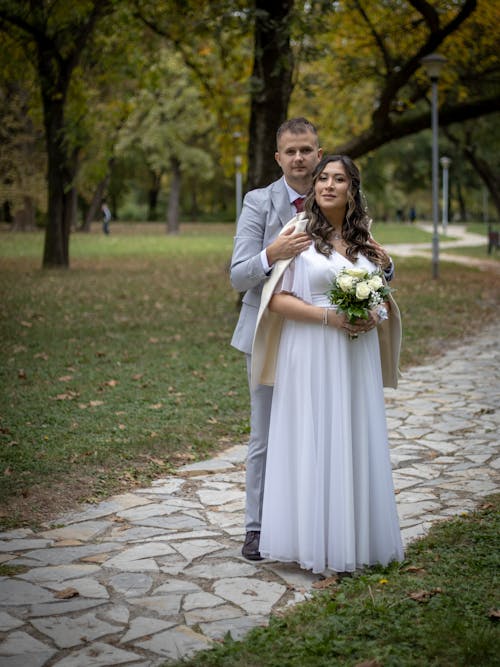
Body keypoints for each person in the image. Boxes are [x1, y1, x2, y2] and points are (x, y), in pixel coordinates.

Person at [230, 118, 395, 561]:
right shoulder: (259, 202)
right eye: (291, 151)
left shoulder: (338, 195)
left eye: (307, 150)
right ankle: (258, 527)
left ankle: (323, 522)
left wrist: (384, 277)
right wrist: (273, 254)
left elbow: (366, 257)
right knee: (267, 435)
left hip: (331, 343)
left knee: (325, 430)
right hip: (272, 332)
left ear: (318, 154)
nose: (300, 158)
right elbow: (237, 274)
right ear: (279, 157)